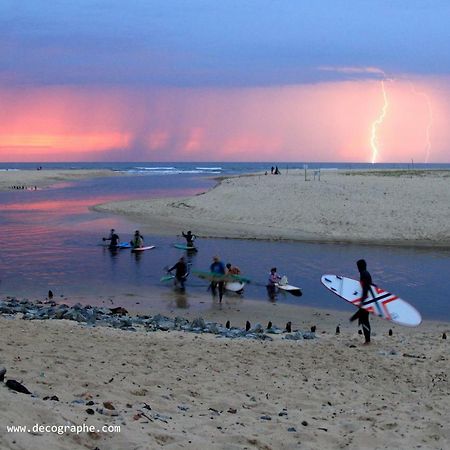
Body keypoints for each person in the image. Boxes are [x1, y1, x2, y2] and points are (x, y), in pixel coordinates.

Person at [350, 259, 372, 344]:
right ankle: (367, 339)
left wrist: (362, 302)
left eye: (358, 267)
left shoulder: (363, 274)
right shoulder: (366, 273)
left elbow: (365, 289)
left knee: (364, 320)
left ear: (360, 267)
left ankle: (367, 340)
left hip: (366, 299)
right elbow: (367, 286)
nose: (357, 268)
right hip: (368, 298)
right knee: (363, 318)